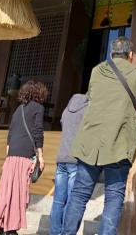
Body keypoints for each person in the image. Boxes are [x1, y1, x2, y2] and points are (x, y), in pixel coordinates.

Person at [61, 37, 136, 235]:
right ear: (130, 55)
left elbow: (91, 98)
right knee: (114, 196)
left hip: (90, 142)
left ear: (112, 53)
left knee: (79, 194)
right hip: (119, 143)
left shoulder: (96, 71)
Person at [0, 80, 47, 235]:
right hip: (24, 154)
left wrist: (9, 153)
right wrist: (40, 156)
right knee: (19, 191)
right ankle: (11, 228)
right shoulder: (39, 108)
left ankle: (3, 226)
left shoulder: (18, 110)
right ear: (39, 93)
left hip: (11, 155)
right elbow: (38, 132)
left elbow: (10, 134)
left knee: (7, 191)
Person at [49, 93, 89, 235]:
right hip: (75, 159)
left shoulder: (66, 111)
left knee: (58, 201)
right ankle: (66, 232)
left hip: (61, 159)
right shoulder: (86, 110)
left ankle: (54, 232)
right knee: (73, 201)